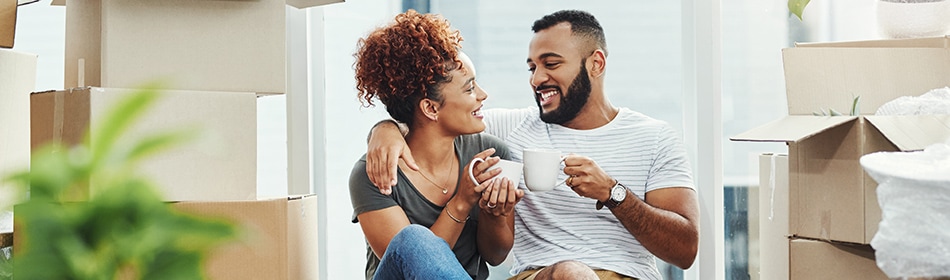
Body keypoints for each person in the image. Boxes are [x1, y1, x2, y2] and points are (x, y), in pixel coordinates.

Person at [363, 10, 699, 280]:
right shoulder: (505, 129)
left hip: (626, 275)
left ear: (596, 63)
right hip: (539, 275)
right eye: (532, 67)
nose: (537, 79)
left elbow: (685, 251)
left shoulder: (654, 137)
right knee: (571, 273)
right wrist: (385, 130)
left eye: (551, 64)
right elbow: (430, 120)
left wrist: (613, 193)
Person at [348, 10, 525, 280]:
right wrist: (462, 202)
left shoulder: (491, 154)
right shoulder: (375, 172)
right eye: (469, 88)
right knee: (413, 240)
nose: (482, 95)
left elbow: (495, 255)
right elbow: (410, 265)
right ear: (430, 108)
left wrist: (494, 214)